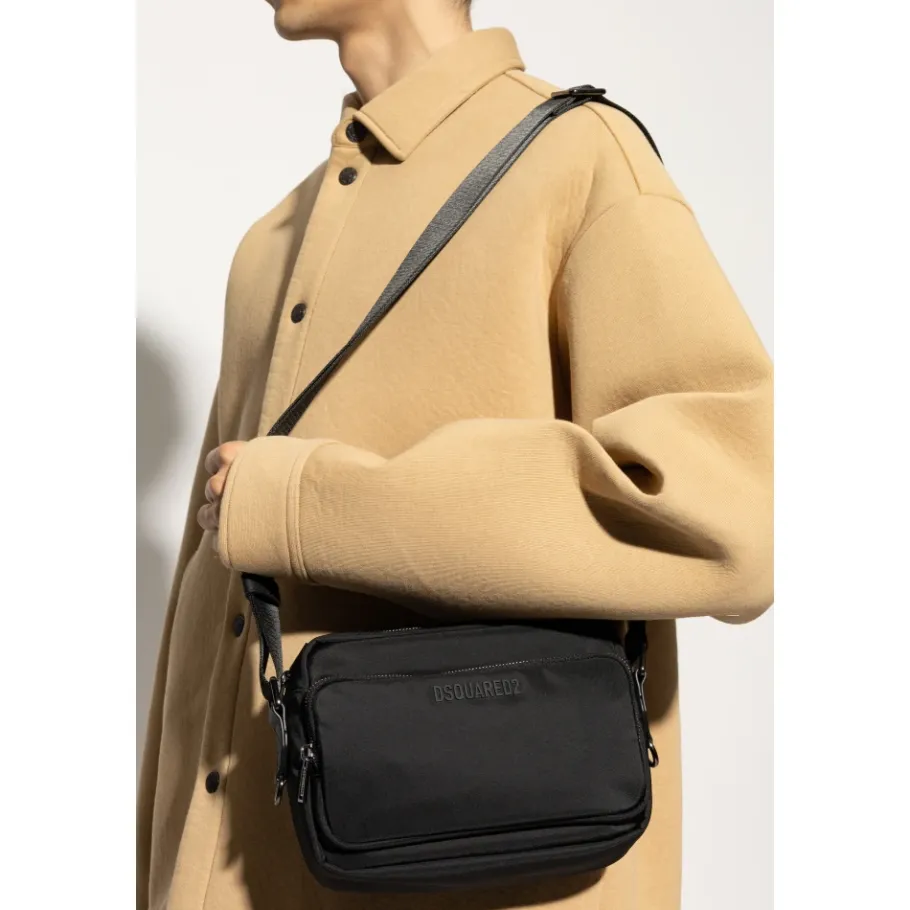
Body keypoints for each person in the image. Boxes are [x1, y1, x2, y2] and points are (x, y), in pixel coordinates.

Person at [137, 1, 773, 908]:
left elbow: (733, 514)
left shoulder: (580, 159)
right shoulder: (270, 242)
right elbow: (213, 630)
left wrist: (309, 506)